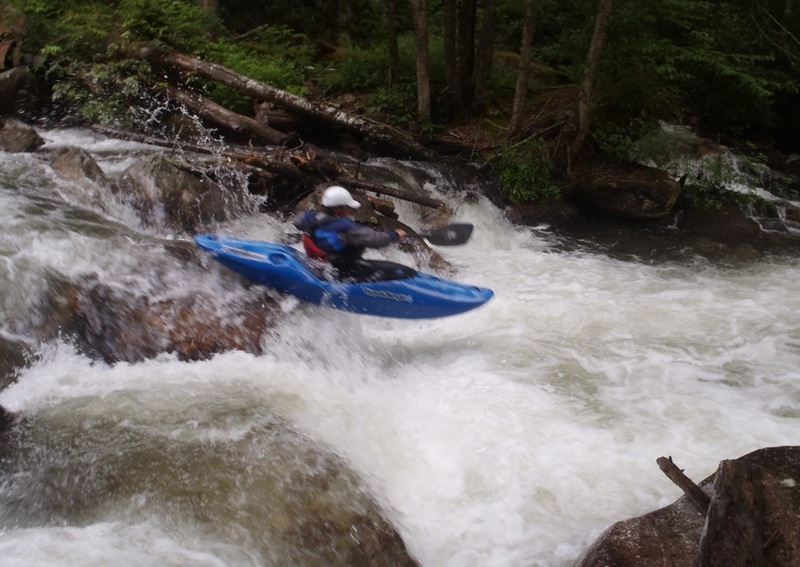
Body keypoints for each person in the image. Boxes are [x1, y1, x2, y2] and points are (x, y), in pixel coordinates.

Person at [293, 185, 408, 281]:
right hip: (340, 271)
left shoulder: (308, 217)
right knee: (399, 272)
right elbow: (376, 240)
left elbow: (296, 221)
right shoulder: (344, 226)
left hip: (315, 264)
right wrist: (395, 234)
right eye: (347, 207)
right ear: (337, 208)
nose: (349, 211)